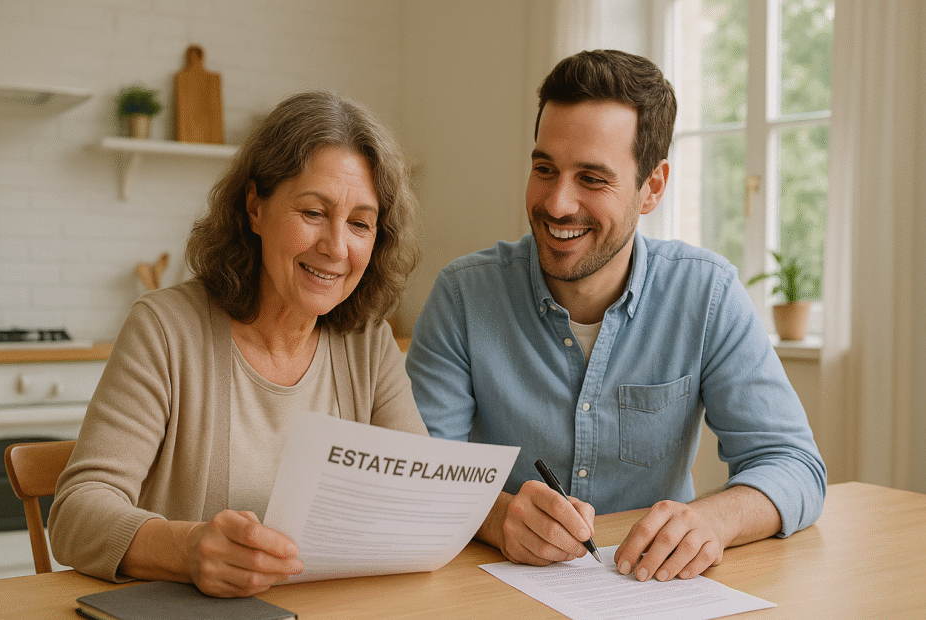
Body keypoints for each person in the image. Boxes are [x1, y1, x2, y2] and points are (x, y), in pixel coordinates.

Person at [405, 50, 826, 583]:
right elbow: (420, 477)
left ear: (652, 187)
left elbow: (795, 464)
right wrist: (496, 517)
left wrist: (712, 522)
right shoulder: (463, 295)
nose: (557, 203)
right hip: (492, 592)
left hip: (652, 595)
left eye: (592, 179)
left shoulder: (707, 294)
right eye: (544, 170)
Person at [49, 90, 428, 597]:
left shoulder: (369, 343)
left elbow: (420, 500)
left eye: (360, 223)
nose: (336, 247)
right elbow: (76, 512)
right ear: (255, 208)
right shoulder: (165, 329)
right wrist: (185, 550)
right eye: (313, 212)